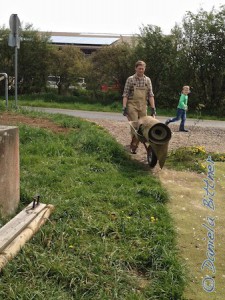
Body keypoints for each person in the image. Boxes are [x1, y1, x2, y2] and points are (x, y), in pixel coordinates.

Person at [122, 60, 156, 154]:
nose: (141, 70)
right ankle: (134, 146)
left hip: (143, 105)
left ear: (144, 69)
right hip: (132, 104)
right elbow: (125, 94)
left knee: (143, 125)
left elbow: (150, 95)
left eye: (143, 68)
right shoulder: (130, 79)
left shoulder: (147, 80)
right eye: (139, 68)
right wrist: (124, 107)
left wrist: (153, 108)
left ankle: (135, 143)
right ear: (135, 68)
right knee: (135, 125)